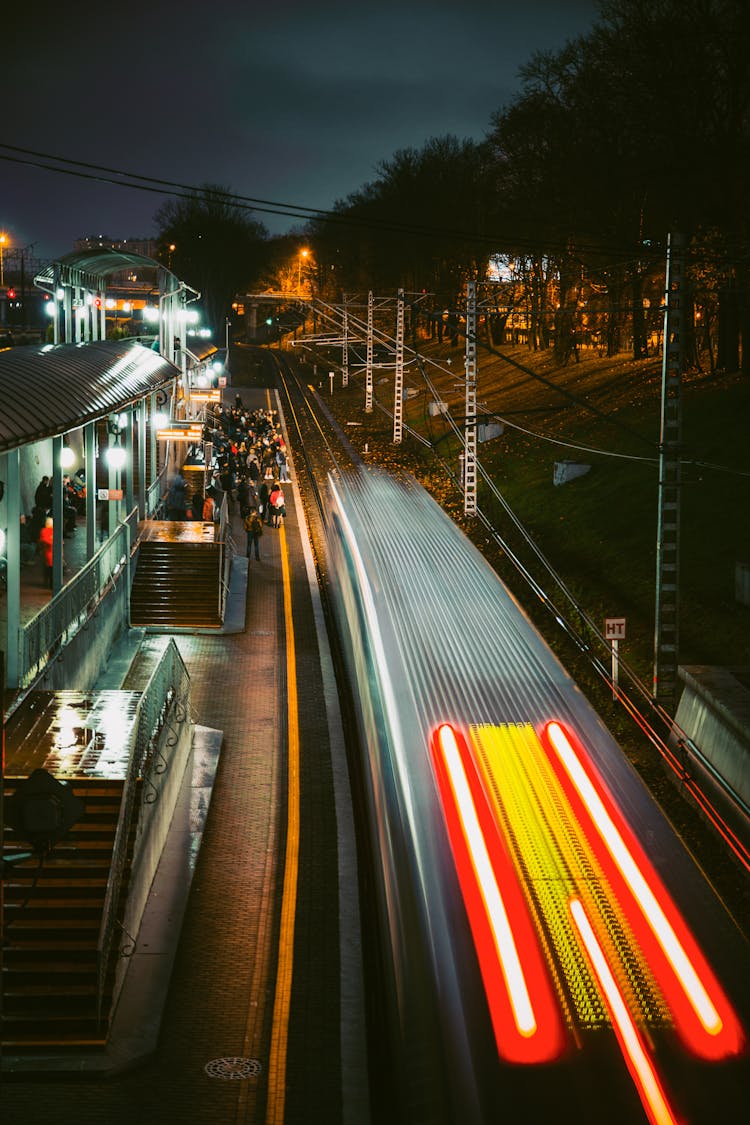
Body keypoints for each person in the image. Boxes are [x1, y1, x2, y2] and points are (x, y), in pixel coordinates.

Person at [39, 516, 55, 588]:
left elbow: (42, 541)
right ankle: (51, 584)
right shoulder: (53, 531)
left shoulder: (43, 531)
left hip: (47, 553)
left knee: (48, 570)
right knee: (51, 570)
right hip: (51, 553)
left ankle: (47, 583)